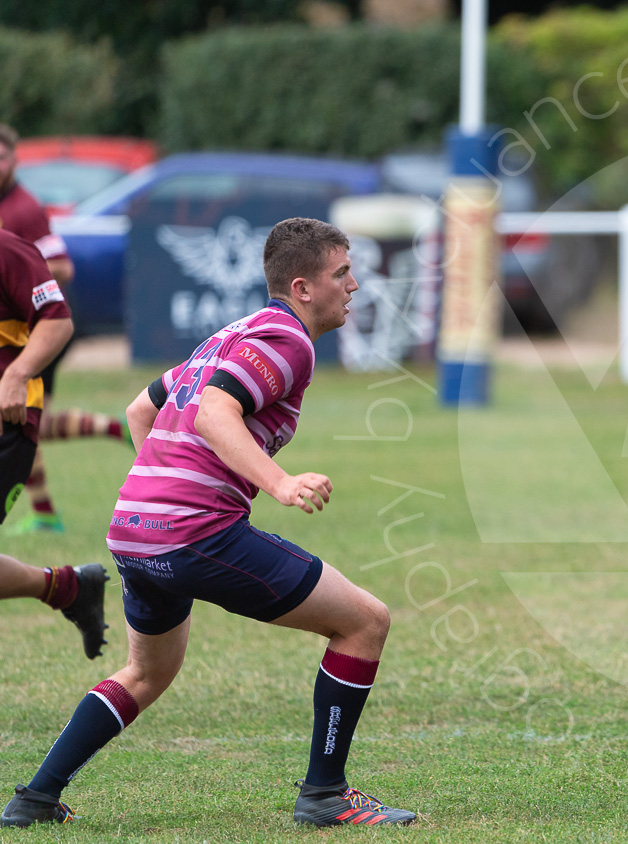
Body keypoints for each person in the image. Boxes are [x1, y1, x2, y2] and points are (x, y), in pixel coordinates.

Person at [1, 218, 416, 828]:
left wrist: (159, 486)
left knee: (147, 671)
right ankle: (326, 795)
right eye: (342, 273)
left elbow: (143, 407)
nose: (353, 284)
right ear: (302, 287)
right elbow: (215, 413)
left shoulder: (231, 335)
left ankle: (35, 799)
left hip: (134, 526)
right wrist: (280, 483)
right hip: (193, 532)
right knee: (365, 623)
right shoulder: (288, 340)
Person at [0, 123, 124, 535]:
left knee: (23, 419)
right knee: (35, 421)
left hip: (34, 331)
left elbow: (63, 266)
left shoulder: (23, 209)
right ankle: (112, 428)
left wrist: (22, 267)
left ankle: (46, 514)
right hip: (18, 332)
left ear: (15, 159)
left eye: (1, 156)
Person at [0, 227, 107, 658]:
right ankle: (68, 587)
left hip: (7, 425)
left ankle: (67, 588)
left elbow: (58, 321)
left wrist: (15, 375)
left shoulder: (8, 249)